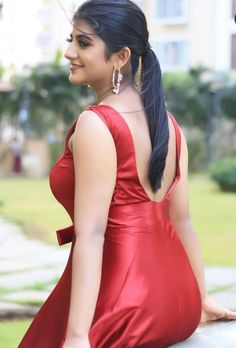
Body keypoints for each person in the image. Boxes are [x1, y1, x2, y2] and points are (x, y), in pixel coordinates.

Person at [18, 1, 236, 347]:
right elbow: (182, 221)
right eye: (70, 39)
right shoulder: (170, 124)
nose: (68, 52)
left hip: (126, 302)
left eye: (84, 43)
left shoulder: (97, 123)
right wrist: (201, 299)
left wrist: (77, 337)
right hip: (177, 301)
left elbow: (92, 235)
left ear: (120, 57)